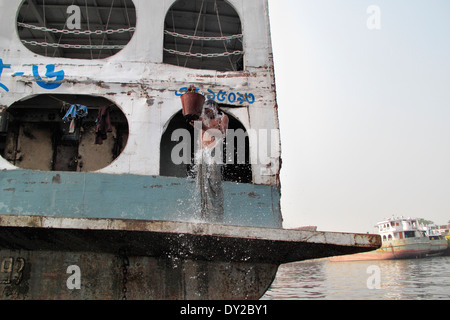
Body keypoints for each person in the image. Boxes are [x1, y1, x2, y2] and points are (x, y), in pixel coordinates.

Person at [190, 99, 229, 223]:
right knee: (203, 187)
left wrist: (204, 127)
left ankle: (218, 218)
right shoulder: (203, 119)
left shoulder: (222, 117)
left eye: (209, 110)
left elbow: (222, 134)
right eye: (205, 111)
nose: (207, 113)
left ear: (215, 109)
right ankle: (204, 216)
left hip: (214, 154)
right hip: (203, 154)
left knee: (214, 186)